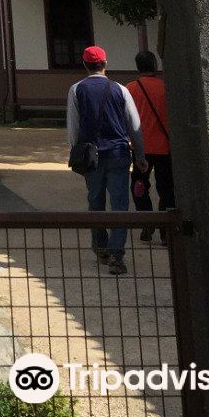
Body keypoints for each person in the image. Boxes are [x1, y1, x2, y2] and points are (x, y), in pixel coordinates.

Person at [67, 44, 146, 276]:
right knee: (120, 204)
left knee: (95, 201)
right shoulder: (120, 89)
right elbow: (135, 125)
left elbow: (73, 126)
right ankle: (117, 255)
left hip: (91, 155)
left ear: (84, 64)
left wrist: (75, 151)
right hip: (119, 153)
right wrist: (140, 155)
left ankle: (100, 248)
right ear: (105, 64)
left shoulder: (76, 90)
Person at [128, 50, 173, 242]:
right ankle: (165, 230)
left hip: (141, 149)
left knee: (139, 185)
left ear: (137, 67)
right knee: (167, 188)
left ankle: (147, 219)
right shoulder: (166, 88)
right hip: (165, 147)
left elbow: (126, 119)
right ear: (155, 65)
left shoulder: (130, 89)